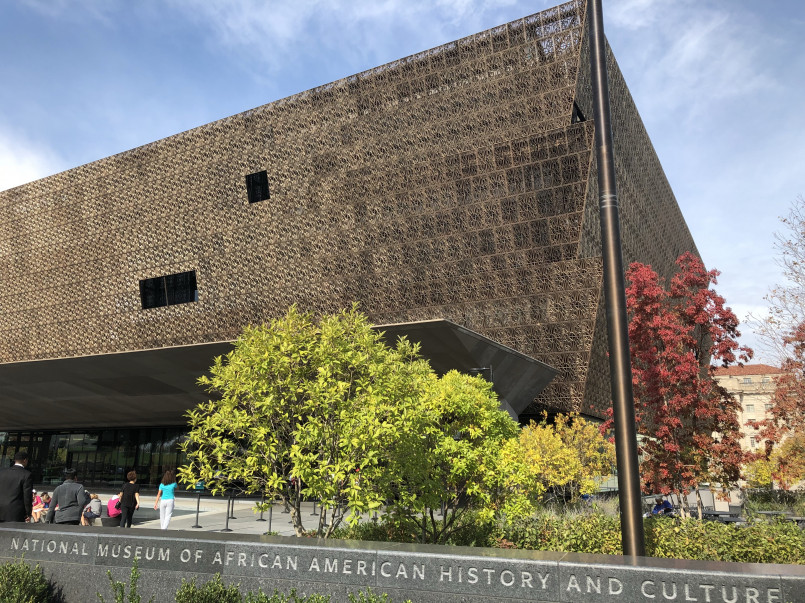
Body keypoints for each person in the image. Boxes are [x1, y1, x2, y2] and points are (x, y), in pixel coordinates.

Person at [0, 451, 34, 523]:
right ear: (25, 460)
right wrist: (28, 512)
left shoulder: (2, 472)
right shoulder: (26, 475)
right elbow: (27, 496)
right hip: (15, 511)